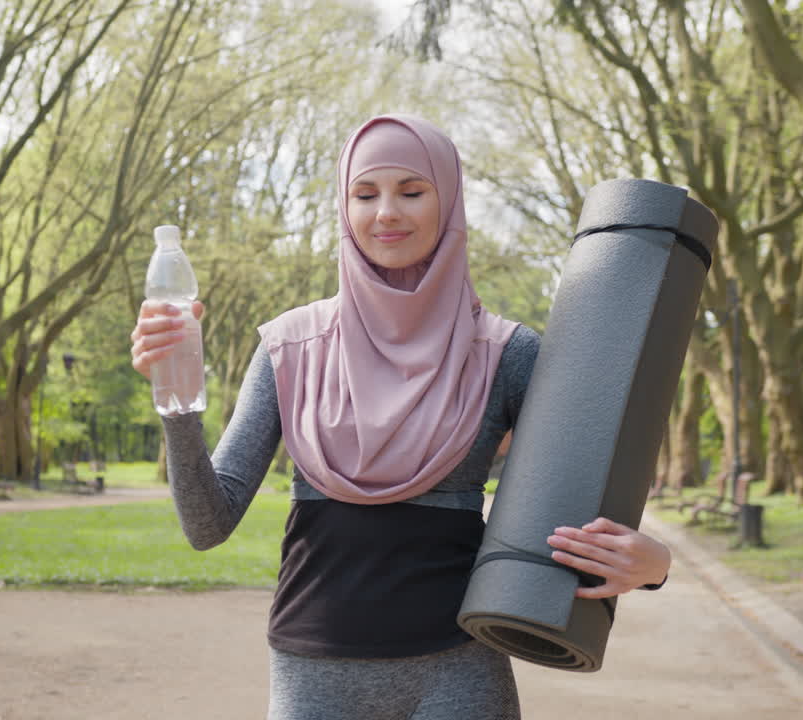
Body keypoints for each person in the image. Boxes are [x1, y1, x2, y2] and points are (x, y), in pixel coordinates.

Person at [131, 114, 671, 720]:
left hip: (459, 666)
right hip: (313, 672)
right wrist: (176, 399)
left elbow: (577, 490)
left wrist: (653, 566)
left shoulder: (506, 353)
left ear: (450, 201)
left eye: (411, 192)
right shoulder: (289, 347)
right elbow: (208, 525)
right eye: (365, 194)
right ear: (344, 207)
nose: (386, 212)